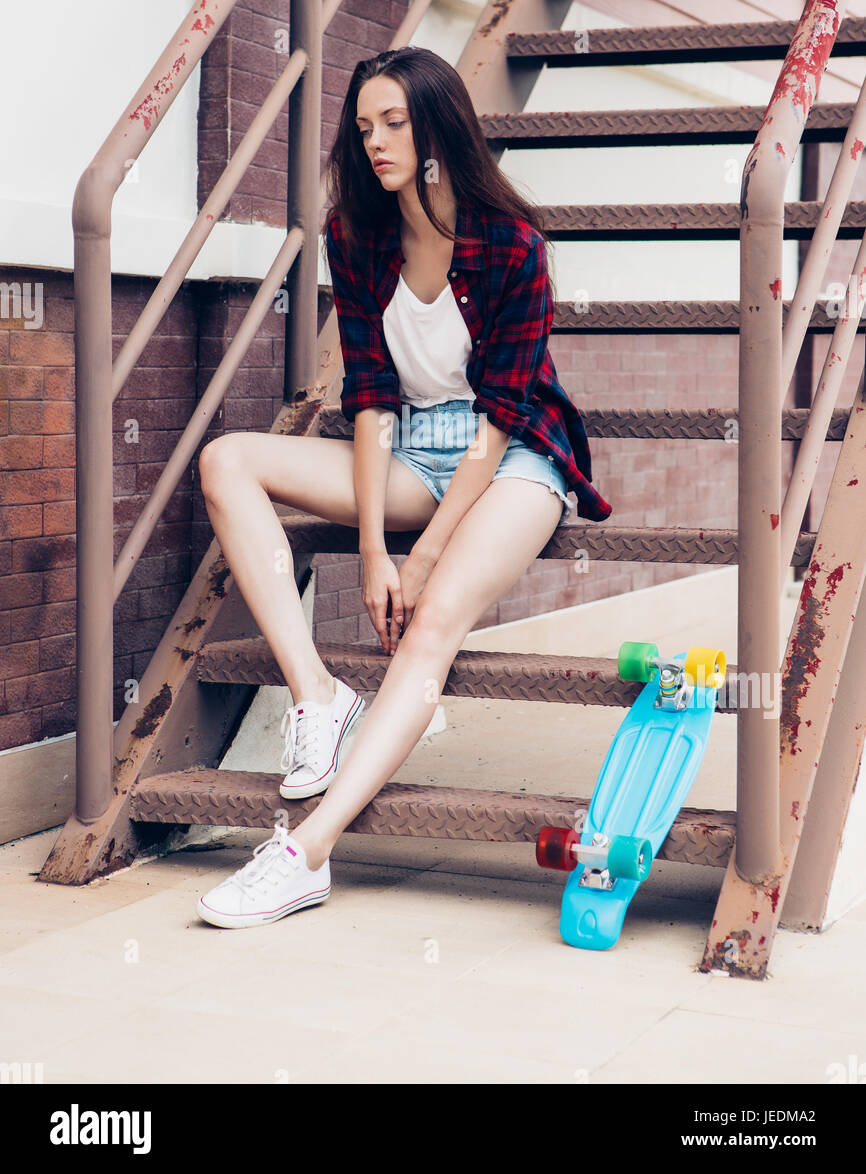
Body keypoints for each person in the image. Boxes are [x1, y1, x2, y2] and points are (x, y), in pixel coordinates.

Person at [194, 46, 611, 928]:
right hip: (410, 449)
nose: (376, 142)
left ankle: (305, 850)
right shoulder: (358, 234)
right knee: (228, 459)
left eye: (394, 123)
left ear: (437, 129)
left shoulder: (513, 246)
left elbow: (499, 421)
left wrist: (420, 561)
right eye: (364, 127)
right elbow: (373, 399)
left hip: (514, 457)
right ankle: (317, 694)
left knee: (430, 626)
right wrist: (378, 549)